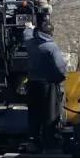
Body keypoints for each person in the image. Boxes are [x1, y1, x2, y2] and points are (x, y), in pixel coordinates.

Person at [25, 18, 68, 151]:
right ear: (51, 33)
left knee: (34, 113)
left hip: (32, 84)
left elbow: (26, 35)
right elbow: (60, 68)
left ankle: (34, 140)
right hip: (48, 84)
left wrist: (28, 28)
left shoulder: (30, 43)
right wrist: (59, 79)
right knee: (50, 113)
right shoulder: (51, 47)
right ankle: (49, 140)